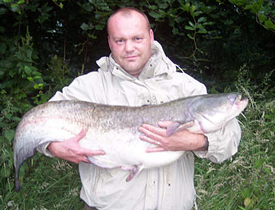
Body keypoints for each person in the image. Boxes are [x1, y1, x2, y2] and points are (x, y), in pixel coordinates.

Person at [37, 7, 241, 210]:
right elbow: (38, 123)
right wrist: (54, 147)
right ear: (110, 42)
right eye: (120, 40)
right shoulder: (88, 87)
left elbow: (231, 139)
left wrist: (194, 141)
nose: (129, 48)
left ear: (150, 37)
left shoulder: (186, 87)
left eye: (137, 38)